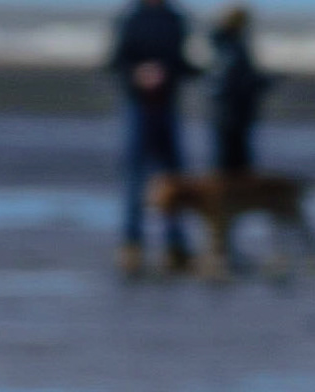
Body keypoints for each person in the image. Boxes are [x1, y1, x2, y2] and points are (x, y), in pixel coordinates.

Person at [108, 0, 201, 275]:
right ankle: (131, 245)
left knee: (174, 176)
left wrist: (179, 72)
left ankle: (176, 246)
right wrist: (137, 74)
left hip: (167, 104)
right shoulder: (131, 18)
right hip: (138, 105)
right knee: (136, 175)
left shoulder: (176, 18)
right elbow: (117, 60)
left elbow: (181, 62)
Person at [208, 5, 274, 175]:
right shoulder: (231, 47)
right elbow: (233, 80)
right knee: (232, 163)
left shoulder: (226, 44)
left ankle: (232, 198)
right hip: (231, 112)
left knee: (230, 160)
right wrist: (260, 82)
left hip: (229, 111)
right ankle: (229, 199)